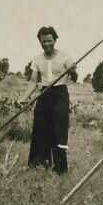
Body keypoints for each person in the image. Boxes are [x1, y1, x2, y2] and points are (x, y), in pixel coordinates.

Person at [25, 26, 77, 174]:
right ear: (39, 42)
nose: (46, 44)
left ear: (55, 40)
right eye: (43, 41)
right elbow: (33, 82)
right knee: (40, 129)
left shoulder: (65, 57)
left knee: (58, 131)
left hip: (60, 94)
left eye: (49, 41)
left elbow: (74, 77)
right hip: (44, 94)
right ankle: (38, 166)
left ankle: (60, 170)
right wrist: (23, 98)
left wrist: (72, 70)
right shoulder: (37, 59)